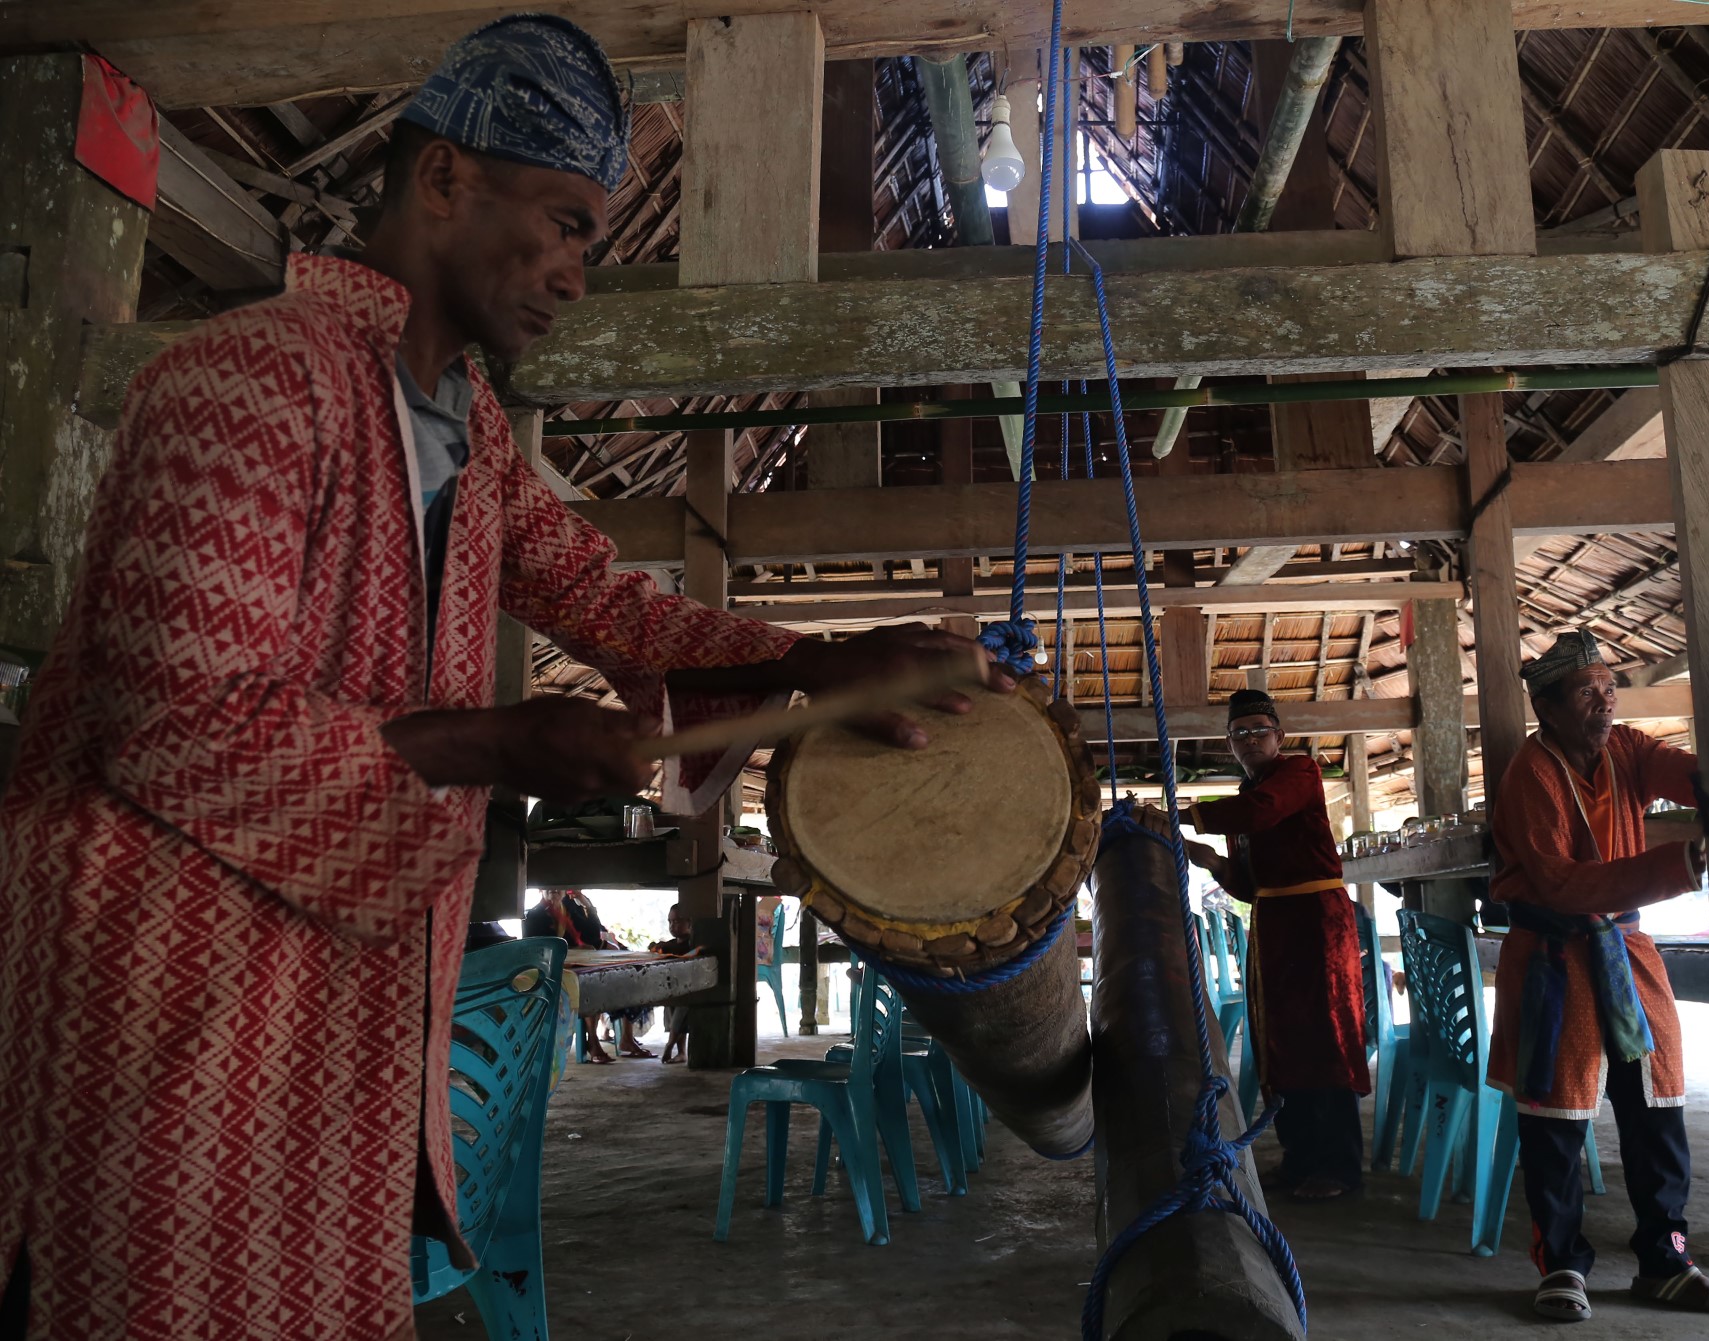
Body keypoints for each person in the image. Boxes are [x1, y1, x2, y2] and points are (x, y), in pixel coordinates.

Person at [0, 15, 1007, 1339]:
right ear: (443, 184)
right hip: (167, 1012)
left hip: (340, 1015)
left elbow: (603, 601)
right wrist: (496, 745)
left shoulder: (465, 433)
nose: (579, 274)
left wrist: (820, 664)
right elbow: (176, 729)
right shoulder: (244, 379)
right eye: (567, 221)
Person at [1486, 629, 1709, 1323]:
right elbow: (1559, 882)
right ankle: (1562, 1266)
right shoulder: (1531, 772)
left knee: (1657, 1108)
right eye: (1586, 692)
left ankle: (1667, 1262)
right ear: (1546, 707)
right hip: (1555, 958)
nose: (1603, 702)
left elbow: (1696, 775)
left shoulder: (1628, 749)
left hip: (1628, 950)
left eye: (1609, 688)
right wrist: (1680, 866)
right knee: (1555, 1119)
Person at [1181, 689, 1370, 1202]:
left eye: (1258, 730)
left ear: (1279, 736)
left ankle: (1339, 1166)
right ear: (1229, 744)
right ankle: (1299, 1157)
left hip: (1318, 923)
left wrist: (1186, 816)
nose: (1249, 740)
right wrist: (1211, 860)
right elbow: (1248, 885)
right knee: (1281, 1042)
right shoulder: (1245, 796)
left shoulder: (1299, 773)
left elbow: (1264, 812)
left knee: (1324, 1038)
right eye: (1238, 734)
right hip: (1275, 923)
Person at [523, 888, 652, 1062]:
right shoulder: (534, 915)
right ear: (540, 890)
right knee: (587, 986)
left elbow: (592, 933)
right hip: (552, 969)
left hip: (578, 963)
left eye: (558, 886)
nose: (554, 890)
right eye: (549, 886)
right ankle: (593, 1041)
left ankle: (621, 1039)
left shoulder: (570, 908)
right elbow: (535, 948)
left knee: (618, 977)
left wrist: (586, 903)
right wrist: (570, 951)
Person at [648, 902, 707, 1063]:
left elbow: (683, 952)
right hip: (673, 989)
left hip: (691, 990)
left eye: (677, 921)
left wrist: (663, 947)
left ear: (690, 922)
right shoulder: (671, 944)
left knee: (680, 1017)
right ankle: (681, 1052)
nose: (672, 925)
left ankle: (670, 1045)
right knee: (672, 1014)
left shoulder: (693, 944)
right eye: (670, 922)